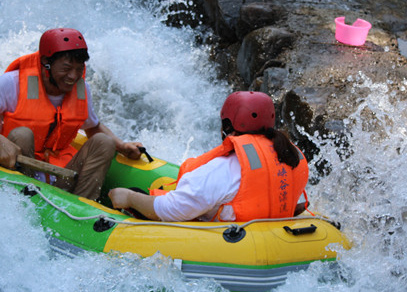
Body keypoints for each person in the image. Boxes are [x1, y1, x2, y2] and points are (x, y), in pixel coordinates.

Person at [0, 27, 143, 200]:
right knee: (22, 134)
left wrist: (123, 146)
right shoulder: (11, 83)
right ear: (45, 64)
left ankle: (82, 206)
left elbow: (93, 127)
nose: (73, 76)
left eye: (79, 68)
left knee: (104, 142)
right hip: (20, 168)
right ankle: (23, 197)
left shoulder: (82, 89)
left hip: (61, 173)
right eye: (65, 68)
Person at [109, 91, 309, 222]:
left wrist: (130, 197)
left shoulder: (221, 170)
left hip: (230, 244)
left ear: (226, 127)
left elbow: (171, 210)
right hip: (271, 236)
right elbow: (295, 205)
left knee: (134, 193)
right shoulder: (289, 156)